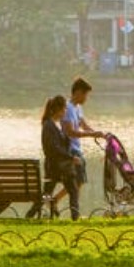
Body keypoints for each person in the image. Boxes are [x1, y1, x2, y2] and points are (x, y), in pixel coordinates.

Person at [62, 77, 99, 220]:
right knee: (77, 181)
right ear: (77, 92)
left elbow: (84, 125)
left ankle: (56, 201)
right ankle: (74, 212)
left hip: (77, 149)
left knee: (79, 181)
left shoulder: (78, 108)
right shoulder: (68, 108)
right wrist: (91, 134)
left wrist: (98, 133)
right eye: (85, 94)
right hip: (71, 150)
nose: (86, 98)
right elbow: (70, 132)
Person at [37, 95, 74, 218]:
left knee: (46, 193)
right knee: (72, 187)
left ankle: (32, 213)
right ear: (58, 109)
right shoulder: (49, 125)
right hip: (55, 167)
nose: (65, 112)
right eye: (64, 109)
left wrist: (66, 138)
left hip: (55, 166)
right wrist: (70, 157)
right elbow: (53, 147)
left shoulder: (54, 125)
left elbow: (59, 145)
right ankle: (75, 217)